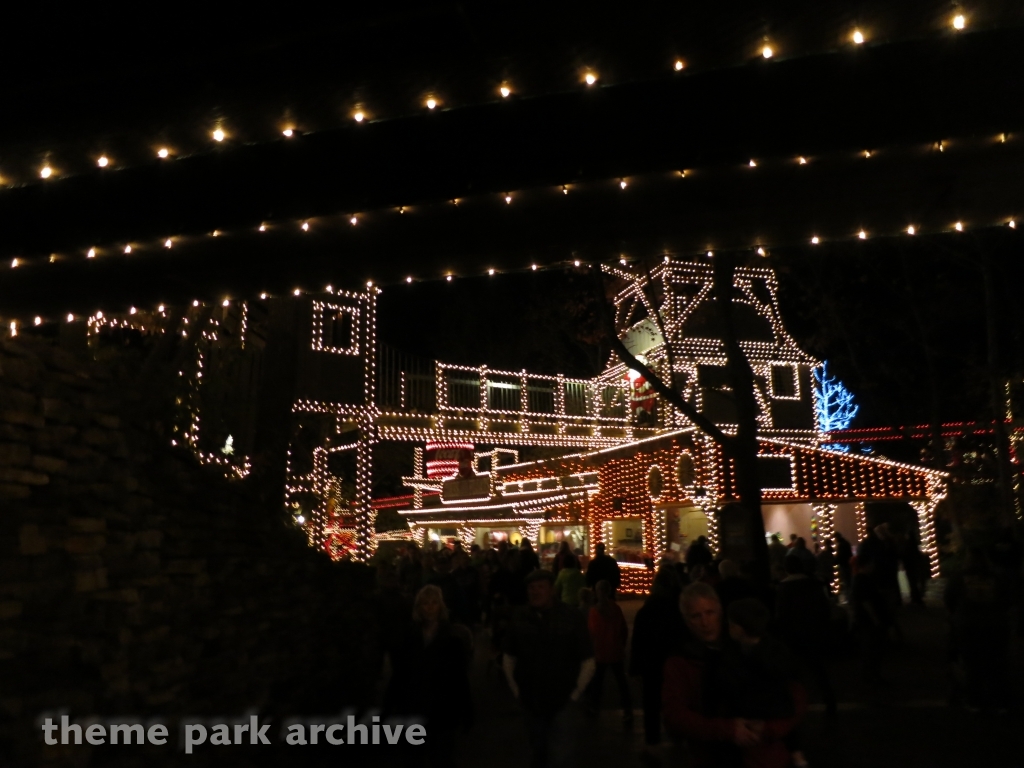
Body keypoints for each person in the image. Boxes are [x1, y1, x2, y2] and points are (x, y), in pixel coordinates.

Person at [662, 583, 805, 768]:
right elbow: (674, 716)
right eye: (696, 616)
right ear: (687, 620)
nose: (705, 622)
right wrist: (726, 730)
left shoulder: (749, 644)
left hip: (764, 755)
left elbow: (795, 694)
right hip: (714, 756)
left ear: (720, 611)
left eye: (710, 612)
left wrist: (770, 728)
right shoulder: (680, 661)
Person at [503, 570, 595, 768]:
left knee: (561, 755)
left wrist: (575, 693)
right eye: (531, 588)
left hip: (562, 699)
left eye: (540, 587)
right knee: (538, 751)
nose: (535, 592)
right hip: (531, 699)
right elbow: (509, 655)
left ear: (551, 590)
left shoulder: (571, 617)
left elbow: (587, 658)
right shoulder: (520, 617)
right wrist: (517, 689)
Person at [383, 585, 473, 766]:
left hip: (442, 705)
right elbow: (400, 673)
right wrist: (390, 705)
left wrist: (466, 708)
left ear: (441, 606)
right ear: (419, 608)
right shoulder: (408, 636)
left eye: (434, 603)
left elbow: (459, 676)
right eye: (426, 603)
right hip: (414, 703)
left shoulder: (453, 637)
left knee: (441, 755)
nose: (430, 608)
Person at [630, 567, 685, 764]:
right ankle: (679, 735)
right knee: (678, 699)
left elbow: (638, 640)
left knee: (651, 703)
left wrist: (635, 667)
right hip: (675, 661)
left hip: (651, 662)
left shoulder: (648, 608)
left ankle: (653, 741)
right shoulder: (680, 607)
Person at [775, 557, 837, 717]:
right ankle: (829, 700)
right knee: (818, 669)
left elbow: (782, 615)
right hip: (814, 631)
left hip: (794, 635)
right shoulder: (813, 584)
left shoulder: (784, 588)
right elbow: (824, 607)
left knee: (794, 672)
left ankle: (796, 704)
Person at [587, 580, 633, 727]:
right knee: (621, 683)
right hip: (615, 650)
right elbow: (623, 630)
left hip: (601, 652)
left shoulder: (594, 611)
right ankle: (627, 710)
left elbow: (591, 633)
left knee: (598, 682)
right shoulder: (616, 609)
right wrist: (621, 644)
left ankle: (594, 708)